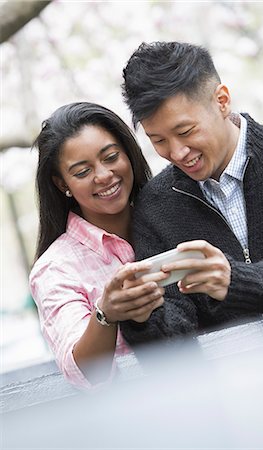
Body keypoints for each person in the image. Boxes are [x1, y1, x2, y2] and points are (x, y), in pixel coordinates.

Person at [119, 41, 263, 347]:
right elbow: (174, 335)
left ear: (222, 100)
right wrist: (140, 317)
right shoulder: (155, 206)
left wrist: (238, 281)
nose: (176, 153)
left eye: (186, 131)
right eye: (158, 140)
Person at [29, 102, 168, 388]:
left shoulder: (174, 214)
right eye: (82, 172)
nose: (103, 175)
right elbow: (82, 372)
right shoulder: (55, 270)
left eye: (111, 156)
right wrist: (106, 314)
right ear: (61, 184)